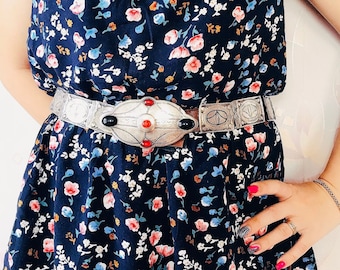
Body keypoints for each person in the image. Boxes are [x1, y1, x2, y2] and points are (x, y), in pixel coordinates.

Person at [0, 0, 339, 269]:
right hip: (82, 206)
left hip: (222, 205)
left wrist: (333, 193)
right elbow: (13, 61)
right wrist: (98, 141)